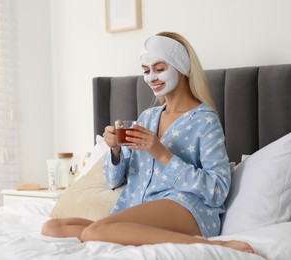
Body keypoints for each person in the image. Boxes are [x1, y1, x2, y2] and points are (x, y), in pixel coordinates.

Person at [42, 32, 255, 254]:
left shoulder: (205, 120)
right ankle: (118, 231)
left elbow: (218, 189)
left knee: (94, 232)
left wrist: (161, 153)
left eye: (160, 69)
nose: (151, 77)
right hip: (138, 208)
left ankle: (215, 245)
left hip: (186, 208)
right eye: (146, 71)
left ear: (180, 67)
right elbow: (114, 181)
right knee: (53, 227)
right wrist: (114, 151)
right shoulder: (147, 118)